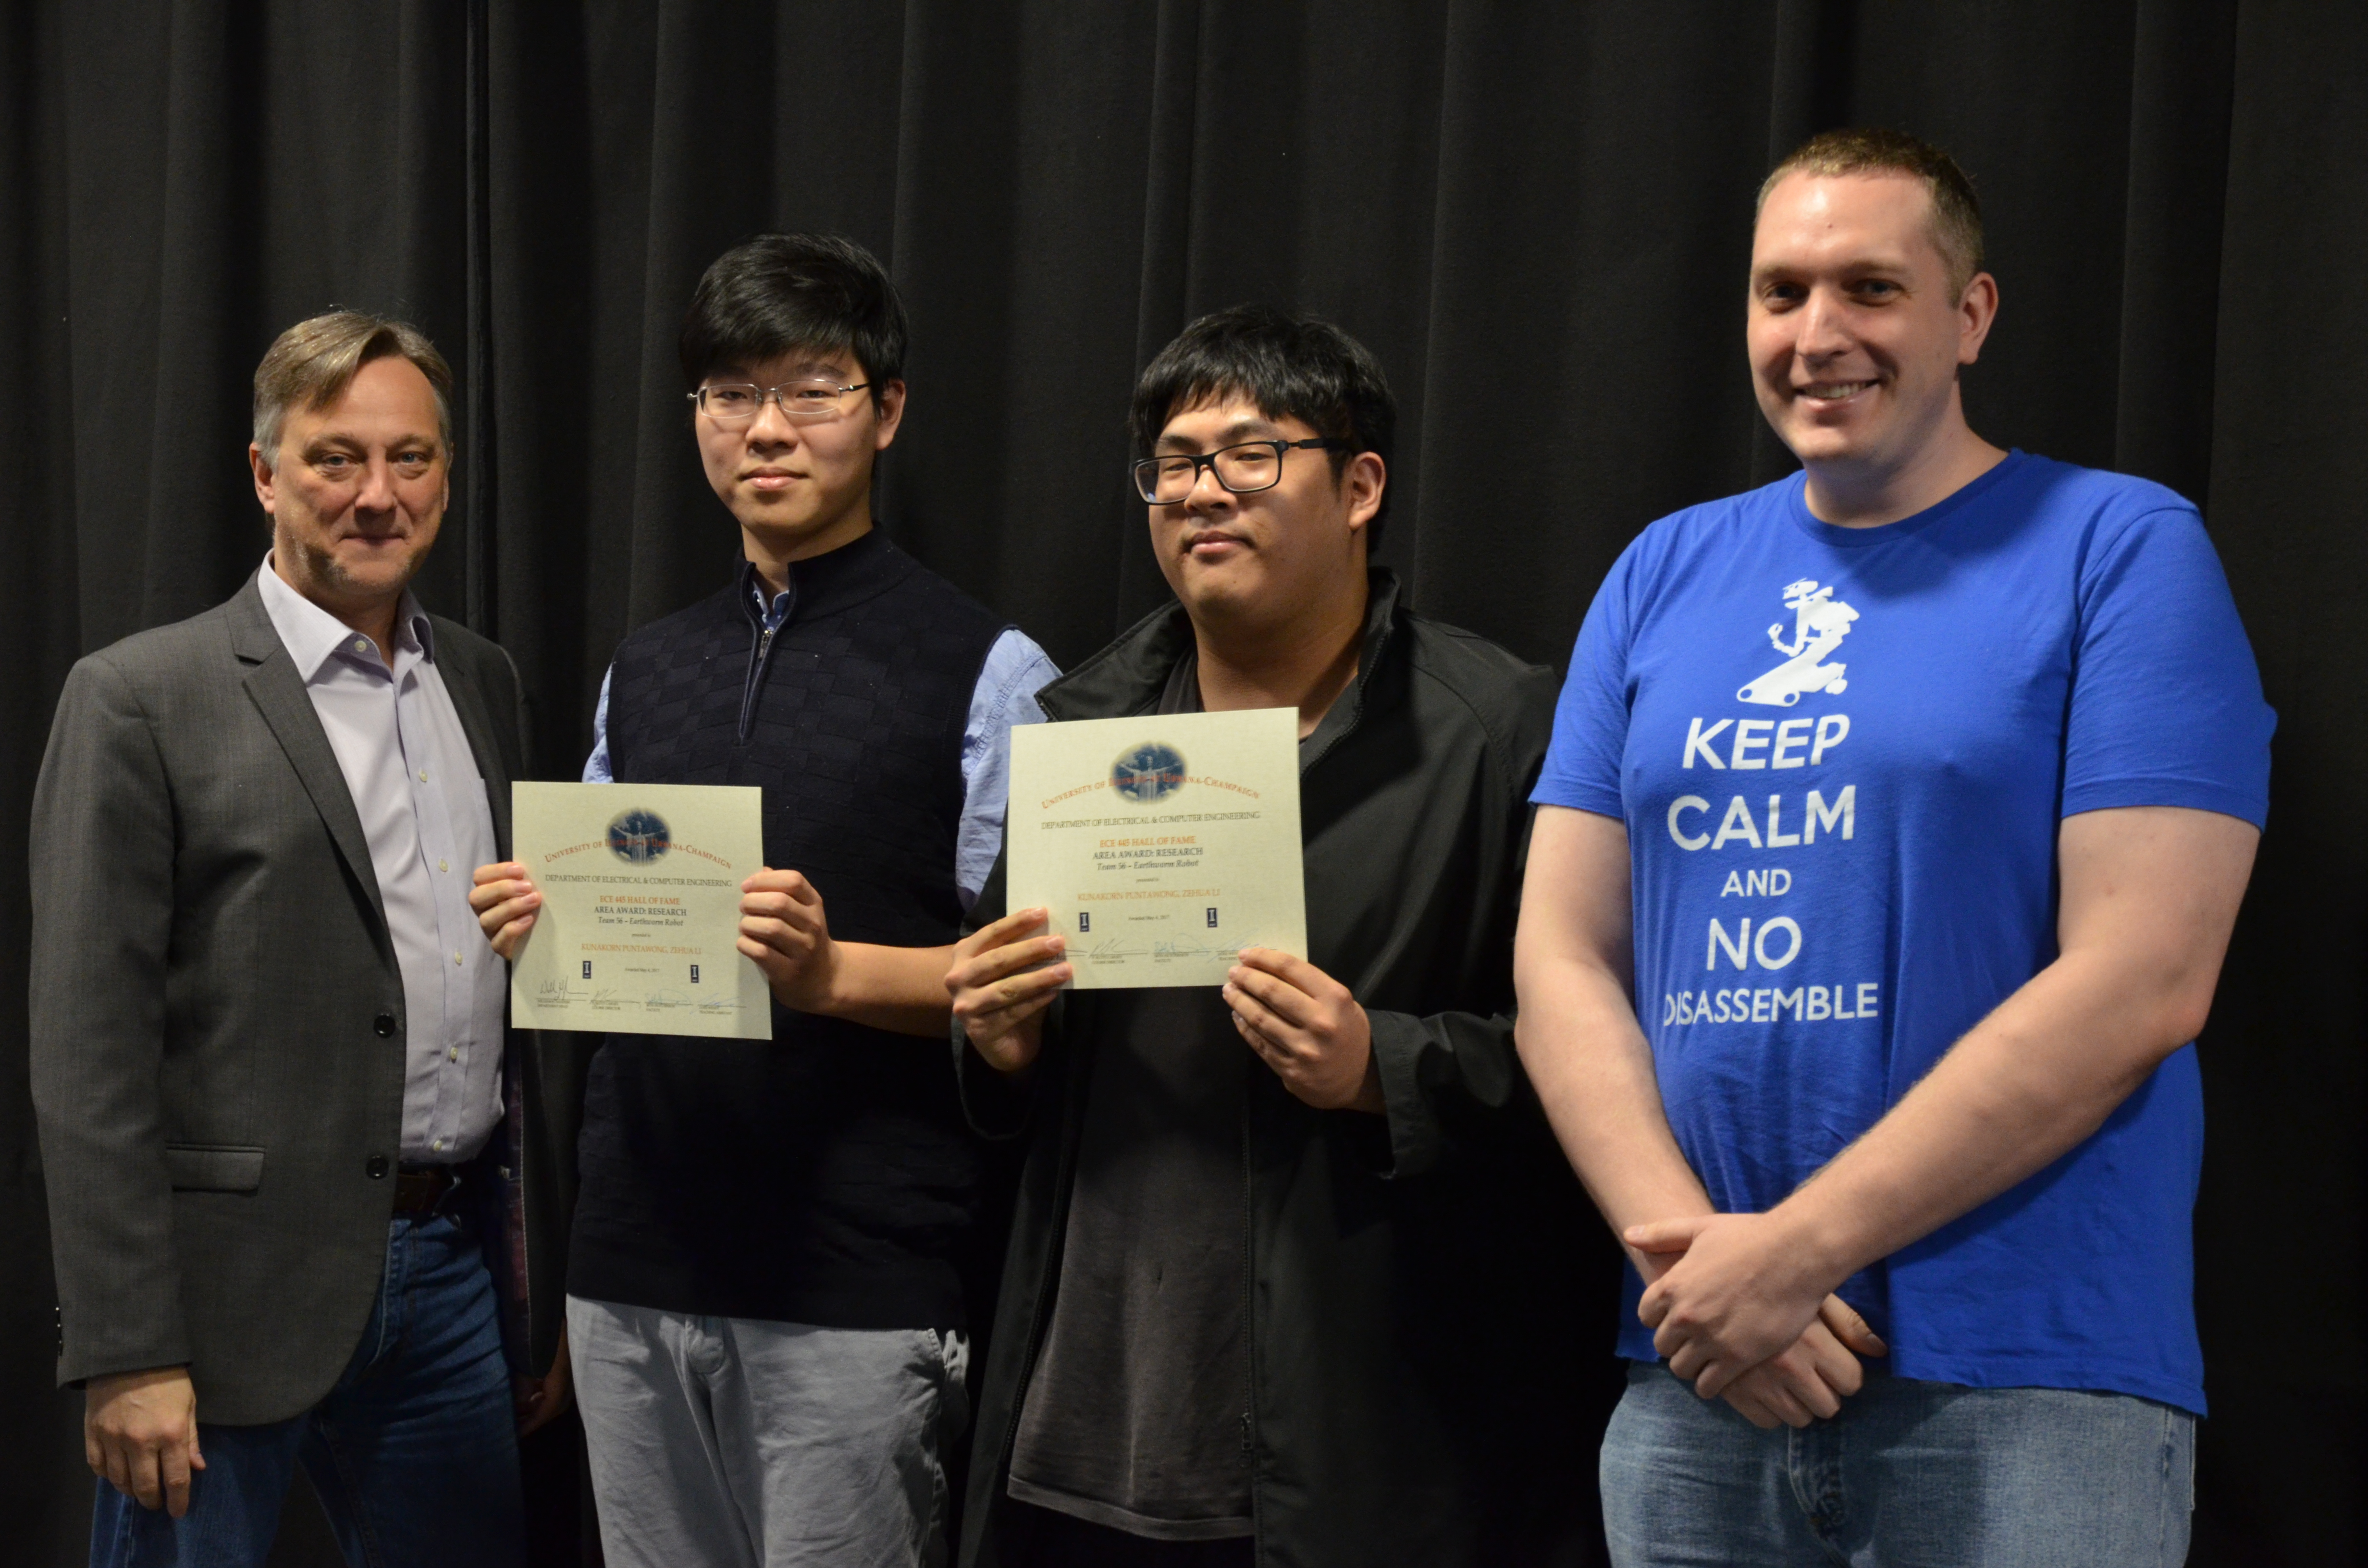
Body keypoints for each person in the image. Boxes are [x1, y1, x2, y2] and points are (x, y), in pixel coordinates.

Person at [1514, 127, 2273, 1566]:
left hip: (2028, 1382)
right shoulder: (1662, 570)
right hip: (1702, 1383)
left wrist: (1788, 1257)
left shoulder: (2119, 547)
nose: (1817, 337)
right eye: (1780, 292)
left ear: (1969, 315)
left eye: (1870, 289)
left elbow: (2148, 977)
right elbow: (1561, 954)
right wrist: (1699, 1273)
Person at [945, 305, 1600, 1568]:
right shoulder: (1084, 725)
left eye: (1251, 455)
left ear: (1361, 485)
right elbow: (1006, 1063)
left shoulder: (1495, 728)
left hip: (1359, 1445)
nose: (1203, 492)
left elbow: (1600, 1060)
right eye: (1177, 463)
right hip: (1087, 1433)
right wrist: (1000, 1041)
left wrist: (1385, 1069)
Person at [469, 232, 1059, 1568]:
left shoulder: (989, 666)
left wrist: (829, 971)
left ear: (888, 410)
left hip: (853, 1280)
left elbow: (1024, 989)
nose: (767, 428)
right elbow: (608, 965)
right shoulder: (647, 665)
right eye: (731, 393)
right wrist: (536, 926)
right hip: (631, 1265)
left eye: (814, 388)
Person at [29, 311, 570, 1568]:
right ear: (267, 474)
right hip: (219, 1304)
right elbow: (85, 1052)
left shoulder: (483, 682)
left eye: (412, 459)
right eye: (336, 459)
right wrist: (127, 1347)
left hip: (447, 1279)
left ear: (447, 475)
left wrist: (527, 1282)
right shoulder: (139, 699)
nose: (377, 495)